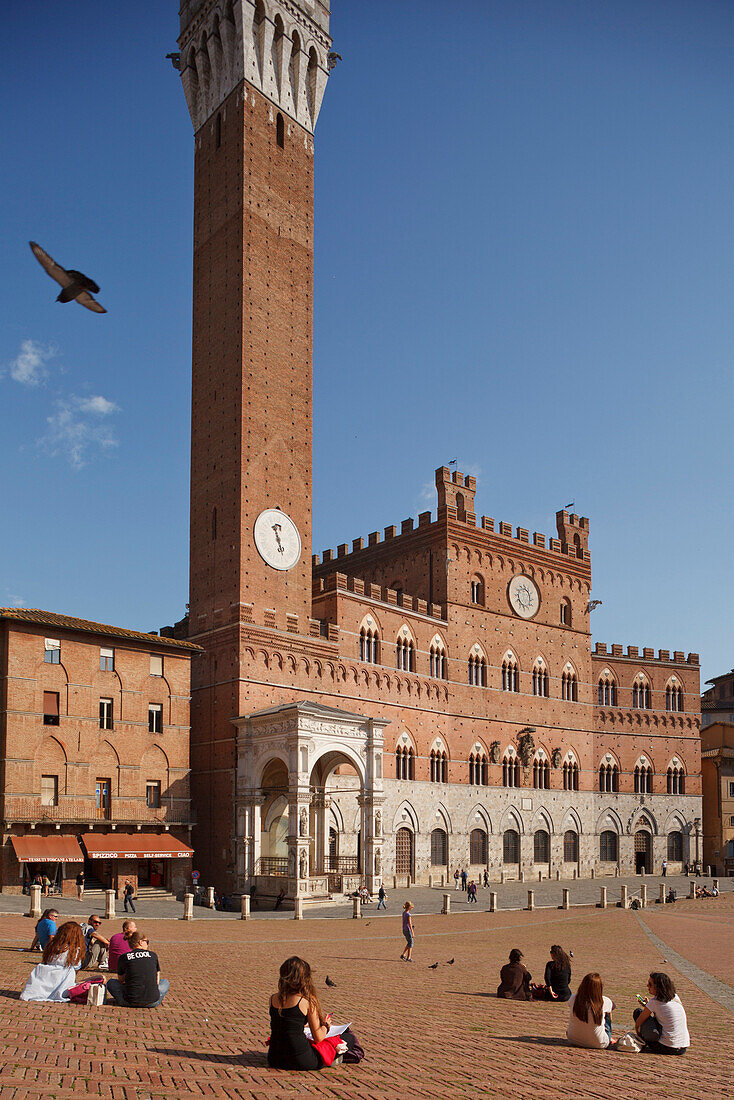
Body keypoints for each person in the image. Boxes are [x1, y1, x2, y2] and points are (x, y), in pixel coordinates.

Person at [268, 956, 332, 1070]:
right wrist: (326, 1026)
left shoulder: (273, 998)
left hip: (274, 1058)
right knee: (347, 1038)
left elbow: (285, 1022)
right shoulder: (306, 1001)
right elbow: (318, 1037)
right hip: (300, 1060)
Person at [20, 921, 85, 1002]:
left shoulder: (51, 945)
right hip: (63, 976)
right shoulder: (74, 950)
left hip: (44, 973)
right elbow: (76, 967)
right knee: (71, 971)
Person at [106, 931, 169, 1007]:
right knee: (165, 982)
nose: (148, 944)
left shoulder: (123, 957)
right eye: (147, 942)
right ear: (140, 942)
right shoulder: (153, 955)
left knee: (111, 983)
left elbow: (121, 980)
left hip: (128, 1001)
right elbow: (157, 980)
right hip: (152, 1002)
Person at [633, 972, 689, 1054]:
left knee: (638, 1012)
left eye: (650, 984)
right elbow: (662, 1015)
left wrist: (639, 1036)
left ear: (657, 987)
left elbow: (638, 1023)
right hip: (683, 1048)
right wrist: (647, 1006)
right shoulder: (675, 997)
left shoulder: (654, 1002)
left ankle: (644, 1041)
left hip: (666, 1047)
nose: (647, 986)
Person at [566, 973, 616, 1049]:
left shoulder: (574, 998)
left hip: (573, 1039)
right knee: (607, 1013)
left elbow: (569, 1004)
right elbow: (613, 1006)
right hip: (599, 1043)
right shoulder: (604, 1001)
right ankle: (607, 1035)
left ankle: (580, 1032)